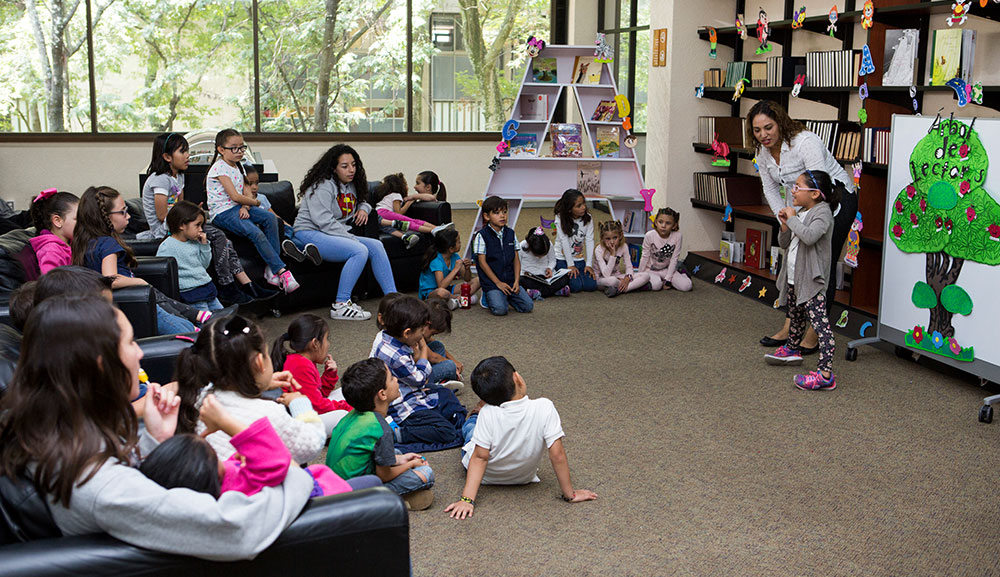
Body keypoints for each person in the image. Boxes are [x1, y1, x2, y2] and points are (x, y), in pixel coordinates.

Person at [0, 295, 316, 560]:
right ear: (101, 364)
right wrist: (291, 473)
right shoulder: (98, 485)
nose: (139, 352)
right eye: (130, 342)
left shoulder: (52, 429)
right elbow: (236, 529)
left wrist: (159, 442)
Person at [747, 100, 858, 350]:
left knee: (820, 266)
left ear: (780, 123)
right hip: (799, 206)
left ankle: (814, 334)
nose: (763, 135)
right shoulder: (762, 153)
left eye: (768, 127)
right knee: (795, 264)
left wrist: (799, 220)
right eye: (757, 130)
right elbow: (770, 188)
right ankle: (790, 327)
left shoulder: (805, 142)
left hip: (833, 200)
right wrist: (785, 219)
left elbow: (819, 187)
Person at [443, 356, 598, 520]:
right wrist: (570, 494)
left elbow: (480, 457)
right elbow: (557, 454)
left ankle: (475, 413)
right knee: (474, 428)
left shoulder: (488, 413)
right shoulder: (544, 407)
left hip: (486, 477)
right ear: (517, 377)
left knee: (470, 429)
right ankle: (475, 415)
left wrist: (467, 500)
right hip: (523, 477)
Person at [140, 394, 364, 498]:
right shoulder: (236, 486)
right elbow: (280, 460)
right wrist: (230, 425)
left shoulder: (215, 487)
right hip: (320, 494)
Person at [175, 315, 328, 463]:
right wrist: (300, 404)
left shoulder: (200, 398)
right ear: (260, 362)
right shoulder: (269, 413)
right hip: (259, 486)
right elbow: (312, 444)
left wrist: (260, 384)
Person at [142, 131, 266, 305]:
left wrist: (192, 212)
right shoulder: (160, 180)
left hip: (179, 222)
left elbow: (180, 206)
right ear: (167, 157)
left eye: (187, 151)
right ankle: (227, 285)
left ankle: (247, 285)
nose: (187, 156)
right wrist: (188, 215)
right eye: (182, 152)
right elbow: (163, 215)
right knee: (218, 235)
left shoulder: (178, 176)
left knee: (226, 242)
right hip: (165, 228)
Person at [71, 186, 200, 335]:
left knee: (178, 318)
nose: (128, 216)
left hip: (120, 304)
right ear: (104, 216)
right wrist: (139, 282)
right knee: (184, 330)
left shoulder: (86, 242)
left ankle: (199, 320)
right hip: (134, 300)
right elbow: (110, 279)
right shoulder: (107, 244)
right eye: (123, 212)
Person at [295, 144, 398, 321]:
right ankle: (341, 304)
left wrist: (364, 208)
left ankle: (393, 301)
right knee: (359, 250)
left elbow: (363, 201)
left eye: (353, 165)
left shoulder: (350, 185)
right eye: (345, 166)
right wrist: (352, 239)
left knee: (376, 245)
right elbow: (324, 222)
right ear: (333, 168)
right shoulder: (322, 186)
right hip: (309, 232)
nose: (351, 170)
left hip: (333, 233)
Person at [326, 358, 435, 511]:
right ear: (382, 394)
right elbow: (385, 475)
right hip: (350, 495)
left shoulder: (352, 416)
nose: (396, 379)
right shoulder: (381, 429)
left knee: (395, 453)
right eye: (391, 378)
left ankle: (397, 496)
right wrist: (410, 464)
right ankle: (382, 502)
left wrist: (401, 459)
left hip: (334, 483)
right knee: (426, 473)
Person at [764, 170, 839, 391]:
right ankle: (792, 349)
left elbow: (809, 237)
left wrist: (793, 220)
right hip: (795, 276)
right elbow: (785, 243)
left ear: (815, 193)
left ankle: (825, 373)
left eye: (797, 187)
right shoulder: (802, 212)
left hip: (812, 280)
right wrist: (785, 225)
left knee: (820, 326)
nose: (792, 192)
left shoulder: (823, 213)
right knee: (795, 316)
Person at [205, 128, 299, 294]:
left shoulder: (239, 166)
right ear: (221, 149)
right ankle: (281, 271)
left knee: (271, 219)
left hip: (237, 207)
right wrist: (254, 202)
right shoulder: (219, 168)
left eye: (242, 147)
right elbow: (234, 195)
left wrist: (246, 206)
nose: (239, 151)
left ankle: (271, 269)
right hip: (222, 213)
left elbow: (245, 191)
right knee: (255, 232)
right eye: (234, 148)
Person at [371, 295, 466, 447]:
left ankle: (440, 414)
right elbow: (420, 379)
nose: (423, 335)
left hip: (410, 389)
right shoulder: (397, 356)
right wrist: (422, 349)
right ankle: (399, 434)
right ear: (407, 333)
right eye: (422, 331)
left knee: (446, 395)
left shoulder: (387, 336)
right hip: (402, 407)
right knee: (447, 432)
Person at [271, 313, 353, 436]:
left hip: (307, 410)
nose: (328, 344)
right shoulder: (301, 365)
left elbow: (318, 395)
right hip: (297, 423)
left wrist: (329, 374)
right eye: (327, 339)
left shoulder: (303, 360)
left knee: (345, 392)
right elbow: (317, 405)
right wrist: (348, 408)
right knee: (343, 415)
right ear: (315, 343)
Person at [242, 164, 322, 267]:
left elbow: (273, 214)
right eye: (250, 184)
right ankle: (293, 247)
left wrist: (286, 224)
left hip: (278, 227)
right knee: (284, 236)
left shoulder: (262, 198)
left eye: (257, 183)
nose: (254, 187)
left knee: (290, 231)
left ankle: (304, 250)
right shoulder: (242, 202)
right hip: (266, 231)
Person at [155, 201, 223, 312]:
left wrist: (204, 245)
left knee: (222, 316)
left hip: (206, 287)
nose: (201, 229)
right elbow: (162, 274)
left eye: (201, 225)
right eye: (197, 225)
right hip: (190, 293)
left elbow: (204, 265)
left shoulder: (195, 242)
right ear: (182, 225)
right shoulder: (167, 246)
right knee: (206, 321)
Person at [473, 196, 534, 316]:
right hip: (492, 282)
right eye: (496, 213)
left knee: (528, 306)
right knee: (500, 310)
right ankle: (488, 295)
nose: (502, 216)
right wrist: (497, 283)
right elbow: (482, 263)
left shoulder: (511, 233)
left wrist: (517, 281)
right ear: (486, 216)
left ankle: (506, 295)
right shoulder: (481, 235)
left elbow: (516, 259)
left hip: (510, 281)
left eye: (504, 212)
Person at [373, 172, 454, 249]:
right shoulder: (396, 195)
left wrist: (413, 197)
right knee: (411, 222)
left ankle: (438, 229)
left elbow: (432, 197)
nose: (411, 187)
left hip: (379, 216)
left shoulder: (391, 196)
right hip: (383, 213)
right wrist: (409, 202)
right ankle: (434, 229)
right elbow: (398, 213)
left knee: (400, 226)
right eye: (406, 184)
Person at [418, 228, 479, 307]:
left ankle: (455, 301)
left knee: (478, 280)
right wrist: (456, 269)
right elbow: (441, 286)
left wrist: (467, 268)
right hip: (431, 292)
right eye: (458, 242)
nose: (460, 244)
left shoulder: (455, 256)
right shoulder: (436, 261)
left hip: (448, 289)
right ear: (451, 249)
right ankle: (460, 299)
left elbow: (467, 279)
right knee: (442, 293)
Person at [552, 189, 597, 293]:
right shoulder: (559, 218)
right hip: (562, 258)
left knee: (591, 286)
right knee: (576, 287)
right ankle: (556, 272)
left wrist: (589, 264)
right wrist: (570, 265)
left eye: (584, 203)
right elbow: (564, 241)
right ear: (569, 209)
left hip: (578, 257)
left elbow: (590, 240)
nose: (584, 207)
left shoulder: (588, 218)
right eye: (579, 206)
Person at [638, 207, 693, 292]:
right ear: (656, 222)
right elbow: (644, 256)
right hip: (650, 270)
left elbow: (674, 258)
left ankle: (682, 272)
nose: (663, 226)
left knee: (686, 286)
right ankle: (659, 280)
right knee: (656, 285)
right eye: (660, 222)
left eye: (668, 223)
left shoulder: (677, 236)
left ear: (674, 225)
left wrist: (668, 279)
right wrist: (639, 274)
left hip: (666, 269)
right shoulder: (649, 235)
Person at [593, 220, 651, 297]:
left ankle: (618, 290)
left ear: (620, 236)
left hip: (617, 276)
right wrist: (613, 254)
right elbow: (606, 274)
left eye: (615, 238)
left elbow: (629, 267)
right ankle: (632, 287)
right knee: (613, 281)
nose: (612, 242)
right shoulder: (599, 249)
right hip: (601, 279)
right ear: (602, 238)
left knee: (646, 276)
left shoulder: (623, 246)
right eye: (608, 239)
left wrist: (627, 278)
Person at [28, 189, 78, 275]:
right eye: (77, 219)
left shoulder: (70, 243)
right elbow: (51, 284)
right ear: (57, 221)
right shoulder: (51, 251)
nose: (84, 223)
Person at [518, 226, 571, 298]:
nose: (540, 257)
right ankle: (554, 291)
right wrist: (524, 273)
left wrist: (550, 268)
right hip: (530, 277)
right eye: (538, 255)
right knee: (520, 281)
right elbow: (517, 266)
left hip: (545, 277)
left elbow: (552, 260)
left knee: (565, 278)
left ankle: (536, 292)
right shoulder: (521, 246)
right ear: (530, 246)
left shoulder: (548, 244)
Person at [424, 298, 464, 386]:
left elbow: (431, 341)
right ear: (427, 324)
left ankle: (442, 378)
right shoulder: (415, 335)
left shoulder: (420, 327)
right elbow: (433, 357)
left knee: (438, 345)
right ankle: (437, 383)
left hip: (421, 363)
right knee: (449, 366)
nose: (431, 336)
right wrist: (452, 363)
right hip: (417, 374)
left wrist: (453, 359)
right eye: (432, 333)